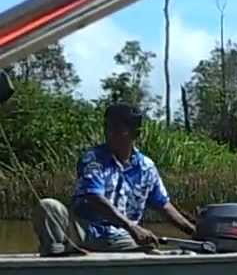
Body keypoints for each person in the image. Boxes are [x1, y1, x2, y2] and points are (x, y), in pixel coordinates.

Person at [32, 103, 197, 256]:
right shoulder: (93, 159)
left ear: (135, 134)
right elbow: (94, 197)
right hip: (85, 231)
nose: (110, 134)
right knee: (48, 207)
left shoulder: (146, 167)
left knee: (152, 251)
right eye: (107, 128)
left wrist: (193, 231)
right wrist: (132, 226)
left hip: (121, 237)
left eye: (118, 129)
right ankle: (61, 257)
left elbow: (163, 205)